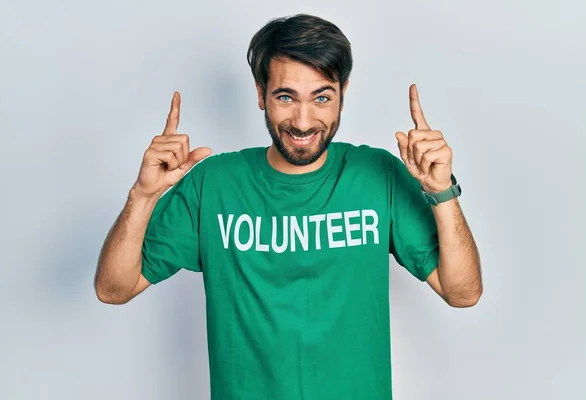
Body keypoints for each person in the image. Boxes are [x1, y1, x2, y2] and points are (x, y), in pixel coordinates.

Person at [94, 13, 482, 400]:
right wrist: (142, 197)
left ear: (343, 94)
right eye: (285, 97)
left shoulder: (377, 175)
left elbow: (462, 292)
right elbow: (114, 288)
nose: (303, 120)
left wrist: (441, 190)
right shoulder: (213, 183)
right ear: (261, 93)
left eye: (321, 97)